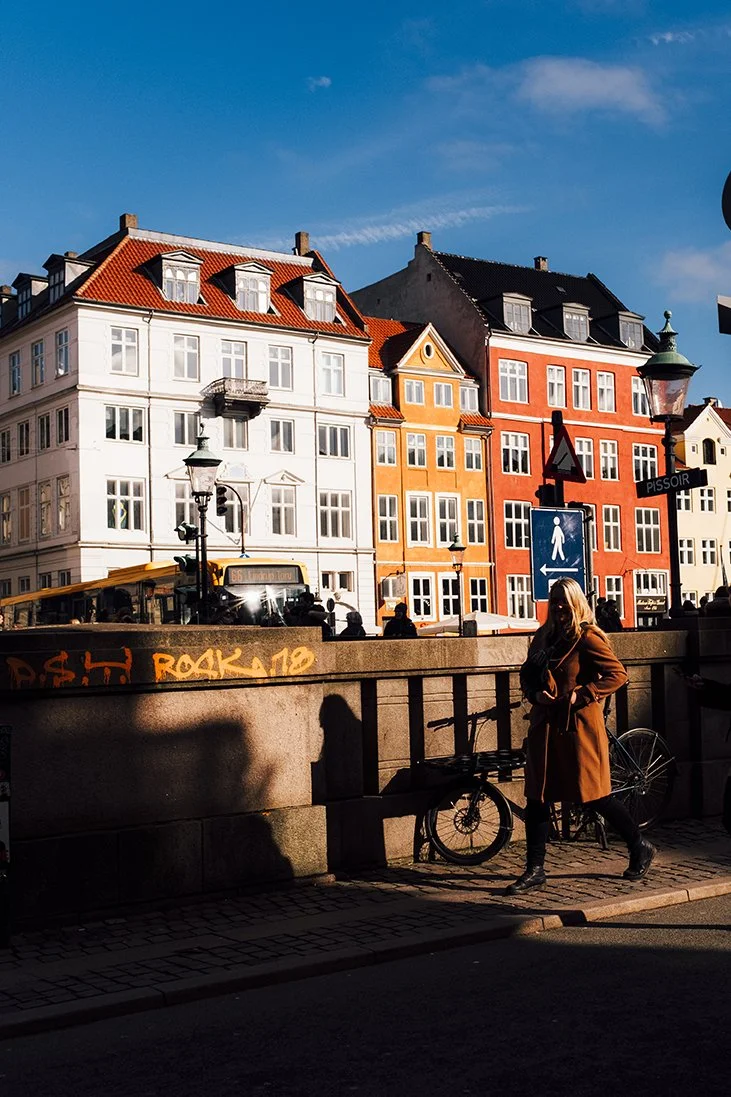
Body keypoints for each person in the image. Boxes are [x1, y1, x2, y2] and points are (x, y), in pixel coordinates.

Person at [507, 577, 655, 895]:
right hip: (545, 727)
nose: (558, 605)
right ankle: (535, 869)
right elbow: (527, 674)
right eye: (554, 599)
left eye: (563, 600)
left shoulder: (586, 637)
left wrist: (583, 694)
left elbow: (618, 674)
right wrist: (535, 694)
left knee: (596, 796)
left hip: (578, 730)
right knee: (537, 797)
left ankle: (639, 845)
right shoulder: (544, 636)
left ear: (575, 602)